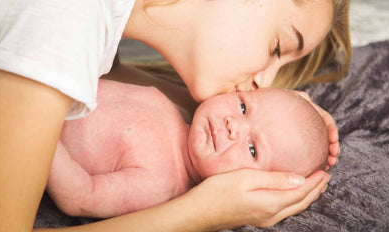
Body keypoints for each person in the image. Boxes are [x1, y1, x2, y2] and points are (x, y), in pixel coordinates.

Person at [0, 0, 362, 231]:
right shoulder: (68, 9)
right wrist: (202, 213)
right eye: (277, 48)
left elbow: (102, 85)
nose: (263, 82)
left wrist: (278, 115)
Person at [47, 80, 329, 218]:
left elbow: (79, 195)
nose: (233, 125)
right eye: (243, 107)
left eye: (253, 149)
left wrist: (34, 123)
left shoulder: (159, 183)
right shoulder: (176, 107)